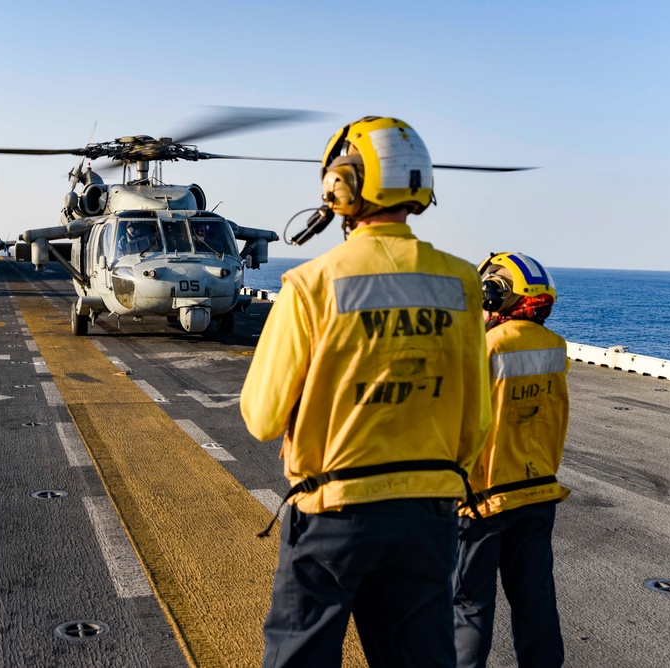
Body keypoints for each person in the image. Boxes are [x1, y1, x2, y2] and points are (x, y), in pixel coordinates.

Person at [240, 116, 491, 667]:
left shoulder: (311, 284)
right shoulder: (461, 284)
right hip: (429, 514)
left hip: (334, 514)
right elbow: (477, 421)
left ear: (340, 187)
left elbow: (261, 417)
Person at [453, 252, 569, 668]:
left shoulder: (485, 348)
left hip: (483, 500)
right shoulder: (556, 348)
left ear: (494, 296)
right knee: (535, 603)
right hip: (537, 493)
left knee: (470, 609)